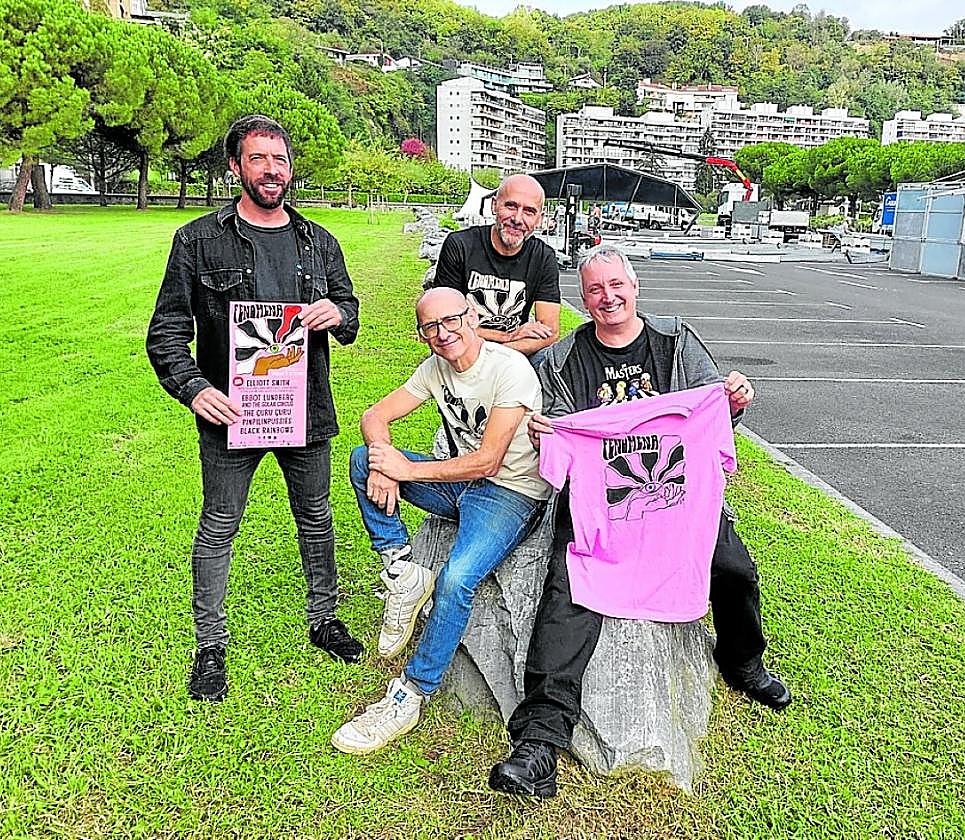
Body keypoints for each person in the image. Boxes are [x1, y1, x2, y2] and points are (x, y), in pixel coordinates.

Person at [488, 244, 791, 798]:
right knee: (568, 596)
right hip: (603, 508)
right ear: (583, 300)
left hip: (678, 503)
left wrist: (734, 402)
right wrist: (545, 433)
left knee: (734, 570)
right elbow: (557, 437)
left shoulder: (675, 342)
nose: (608, 297)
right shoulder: (561, 361)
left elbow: (715, 416)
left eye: (616, 285)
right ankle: (539, 742)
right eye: (595, 290)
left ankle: (743, 662)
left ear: (635, 287)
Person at [146, 114, 363, 703]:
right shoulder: (197, 240)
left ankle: (324, 619)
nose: (272, 170)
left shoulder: (319, 242)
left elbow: (349, 309)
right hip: (231, 413)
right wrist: (195, 388)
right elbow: (167, 330)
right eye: (259, 158)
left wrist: (337, 313)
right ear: (236, 167)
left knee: (316, 517)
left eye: (280, 159)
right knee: (219, 524)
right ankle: (210, 646)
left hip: (304, 408)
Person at [331, 287, 550, 755]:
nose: (443, 333)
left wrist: (406, 470)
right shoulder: (435, 368)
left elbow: (489, 461)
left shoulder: (510, 369)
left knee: (455, 579)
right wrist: (382, 460)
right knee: (360, 459)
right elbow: (374, 415)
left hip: (510, 493)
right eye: (430, 326)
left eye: (451, 320)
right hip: (459, 484)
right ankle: (402, 572)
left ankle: (411, 694)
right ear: (422, 334)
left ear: (473, 318)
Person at [432, 174, 560, 360]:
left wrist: (495, 358)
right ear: (494, 205)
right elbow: (445, 323)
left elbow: (550, 332)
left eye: (529, 211)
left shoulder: (543, 257)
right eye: (511, 206)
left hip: (511, 355)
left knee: (553, 360)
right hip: (461, 351)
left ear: (539, 219)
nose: (517, 218)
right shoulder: (460, 246)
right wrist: (507, 336)